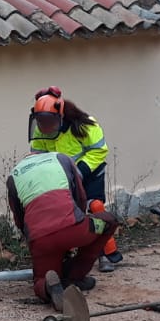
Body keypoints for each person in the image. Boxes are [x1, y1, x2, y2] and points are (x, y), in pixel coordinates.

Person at [6, 149, 118, 305]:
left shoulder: (14, 175)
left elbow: (19, 218)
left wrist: (32, 241)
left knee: (41, 278)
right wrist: (77, 220)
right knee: (109, 221)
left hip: (41, 240)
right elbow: (80, 196)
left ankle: (48, 287)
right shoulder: (61, 158)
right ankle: (75, 276)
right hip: (75, 229)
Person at [29, 87, 122, 271]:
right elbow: (38, 155)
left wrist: (80, 171)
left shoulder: (84, 125)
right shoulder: (41, 130)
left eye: (49, 121)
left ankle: (106, 253)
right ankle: (66, 254)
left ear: (60, 115)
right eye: (41, 121)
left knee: (94, 207)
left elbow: (99, 150)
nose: (45, 126)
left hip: (88, 172)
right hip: (62, 176)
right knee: (65, 214)